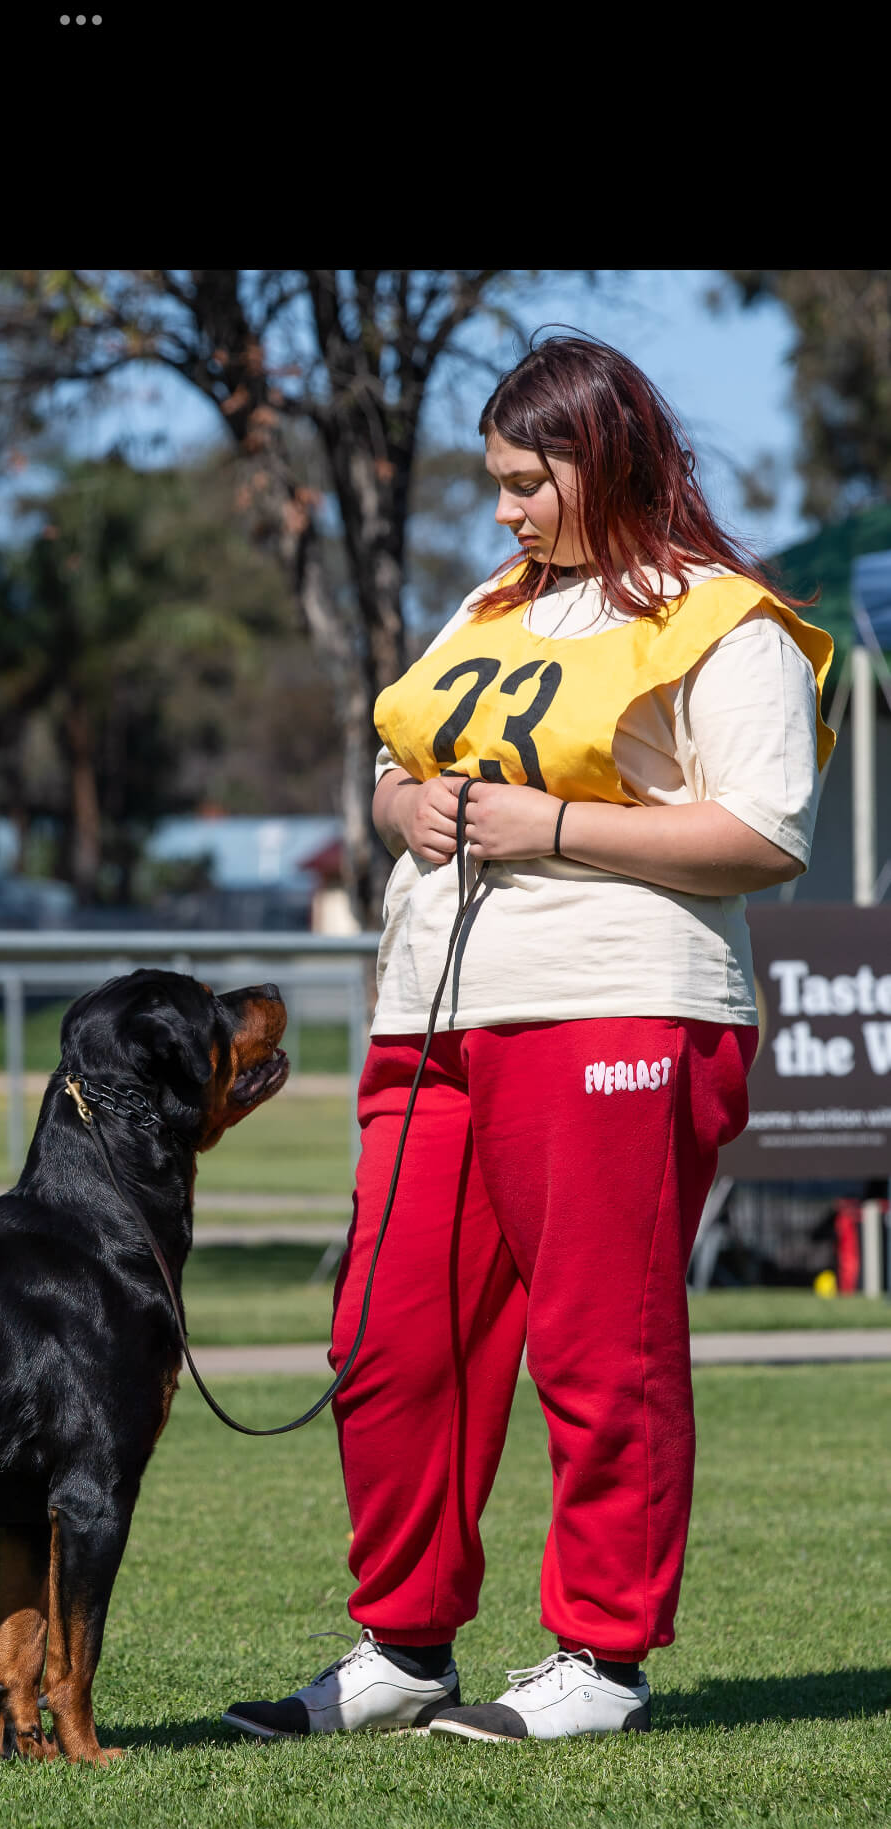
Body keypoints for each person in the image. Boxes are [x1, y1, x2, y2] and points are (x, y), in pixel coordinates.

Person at [223, 334, 833, 1745]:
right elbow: (395, 760)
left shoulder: (722, 618)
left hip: (619, 1007)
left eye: (526, 480)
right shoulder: (491, 602)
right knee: (388, 1344)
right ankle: (402, 1647)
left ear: (601, 458)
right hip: (431, 1010)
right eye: (494, 482)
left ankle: (599, 1663)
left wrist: (548, 824)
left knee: (597, 1348)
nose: (505, 510)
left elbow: (763, 836)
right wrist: (401, 812)